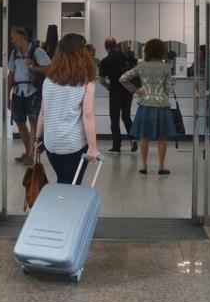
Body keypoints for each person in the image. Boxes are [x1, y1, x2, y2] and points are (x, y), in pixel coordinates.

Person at [34, 33, 100, 184]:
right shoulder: (85, 82)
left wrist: (38, 139)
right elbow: (88, 115)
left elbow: (43, 113)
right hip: (74, 145)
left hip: (51, 144)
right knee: (70, 187)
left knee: (63, 181)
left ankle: (58, 205)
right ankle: (60, 207)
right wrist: (93, 147)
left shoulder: (49, 80)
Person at [120, 38, 176, 175]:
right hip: (162, 105)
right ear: (161, 52)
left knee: (144, 137)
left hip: (145, 104)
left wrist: (136, 90)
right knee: (162, 138)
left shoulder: (141, 66)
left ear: (147, 51)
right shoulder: (167, 67)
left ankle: (144, 166)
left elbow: (122, 78)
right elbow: (168, 90)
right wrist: (172, 83)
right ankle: (161, 167)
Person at [7, 27, 51, 164]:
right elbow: (11, 75)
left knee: (33, 123)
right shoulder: (14, 53)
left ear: (21, 38)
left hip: (33, 91)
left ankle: (32, 154)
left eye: (13, 37)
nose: (11, 40)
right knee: (19, 122)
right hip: (17, 91)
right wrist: (7, 95)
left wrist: (33, 67)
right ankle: (27, 151)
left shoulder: (37, 51)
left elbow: (50, 68)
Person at [99, 37, 138, 154]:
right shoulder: (126, 56)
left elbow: (101, 80)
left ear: (106, 48)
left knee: (114, 118)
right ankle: (133, 140)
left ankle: (116, 146)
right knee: (126, 116)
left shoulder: (105, 61)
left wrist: (108, 86)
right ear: (116, 45)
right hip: (128, 91)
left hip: (115, 91)